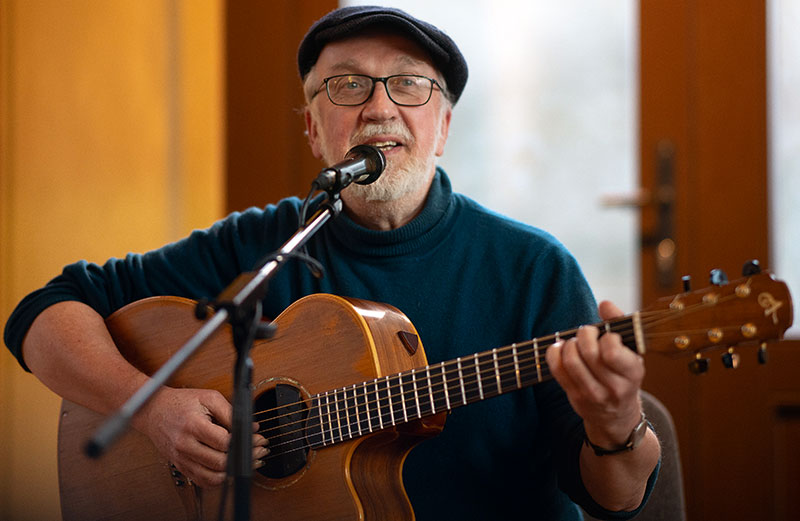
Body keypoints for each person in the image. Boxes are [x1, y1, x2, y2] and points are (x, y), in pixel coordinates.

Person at [4, 5, 659, 520]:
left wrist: (616, 424)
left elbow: (615, 498)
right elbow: (42, 315)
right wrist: (150, 405)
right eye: (347, 86)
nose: (379, 107)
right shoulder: (259, 244)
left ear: (444, 127)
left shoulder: (532, 268)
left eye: (408, 85)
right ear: (315, 131)